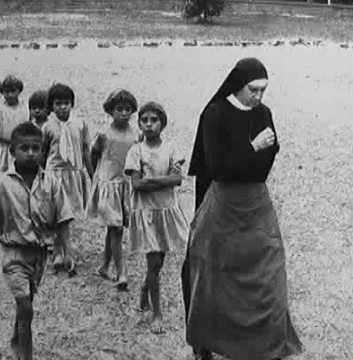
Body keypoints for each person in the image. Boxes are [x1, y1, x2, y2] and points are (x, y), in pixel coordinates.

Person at [185, 58, 303, 360]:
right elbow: (218, 167)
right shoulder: (215, 113)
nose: (259, 97)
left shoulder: (264, 113)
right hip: (223, 205)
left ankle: (267, 345)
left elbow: (263, 169)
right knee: (213, 276)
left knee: (269, 275)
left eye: (264, 90)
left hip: (256, 205)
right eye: (253, 89)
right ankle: (205, 345)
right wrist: (252, 148)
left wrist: (255, 155)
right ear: (239, 85)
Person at [0, 122, 74, 360]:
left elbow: (63, 218)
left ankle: (17, 343)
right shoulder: (1, 182)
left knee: (26, 305)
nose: (31, 153)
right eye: (24, 148)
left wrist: (66, 252)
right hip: (13, 254)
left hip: (40, 254)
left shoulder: (50, 182)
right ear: (12, 151)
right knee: (25, 306)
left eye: (36, 148)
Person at [124, 101, 188, 334]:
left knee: (160, 261)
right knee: (153, 262)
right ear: (139, 124)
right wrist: (162, 181)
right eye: (144, 121)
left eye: (154, 120)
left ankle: (144, 289)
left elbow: (177, 180)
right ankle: (156, 312)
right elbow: (137, 184)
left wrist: (153, 181)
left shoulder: (171, 148)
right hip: (147, 213)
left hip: (166, 210)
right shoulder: (136, 151)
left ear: (162, 123)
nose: (149, 125)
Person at [87, 89, 141, 290]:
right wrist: (96, 176)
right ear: (110, 111)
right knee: (117, 228)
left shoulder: (136, 134)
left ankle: (104, 265)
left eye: (128, 109)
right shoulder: (104, 134)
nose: (124, 113)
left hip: (125, 186)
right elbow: (93, 154)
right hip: (109, 186)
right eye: (119, 109)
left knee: (114, 227)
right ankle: (121, 272)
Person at [41, 83, 93, 274]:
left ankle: (63, 250)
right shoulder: (47, 127)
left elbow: (86, 150)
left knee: (67, 214)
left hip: (73, 173)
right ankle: (59, 251)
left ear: (72, 104)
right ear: (51, 106)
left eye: (66, 103)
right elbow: (43, 152)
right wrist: (40, 175)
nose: (62, 107)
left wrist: (91, 173)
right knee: (56, 215)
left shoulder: (80, 125)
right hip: (54, 174)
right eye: (58, 103)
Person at [0, 75, 29, 177]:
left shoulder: (24, 108)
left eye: (13, 91)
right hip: (3, 150)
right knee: (1, 176)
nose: (10, 95)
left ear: (19, 90)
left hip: (20, 149)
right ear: (2, 92)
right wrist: (7, 140)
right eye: (7, 92)